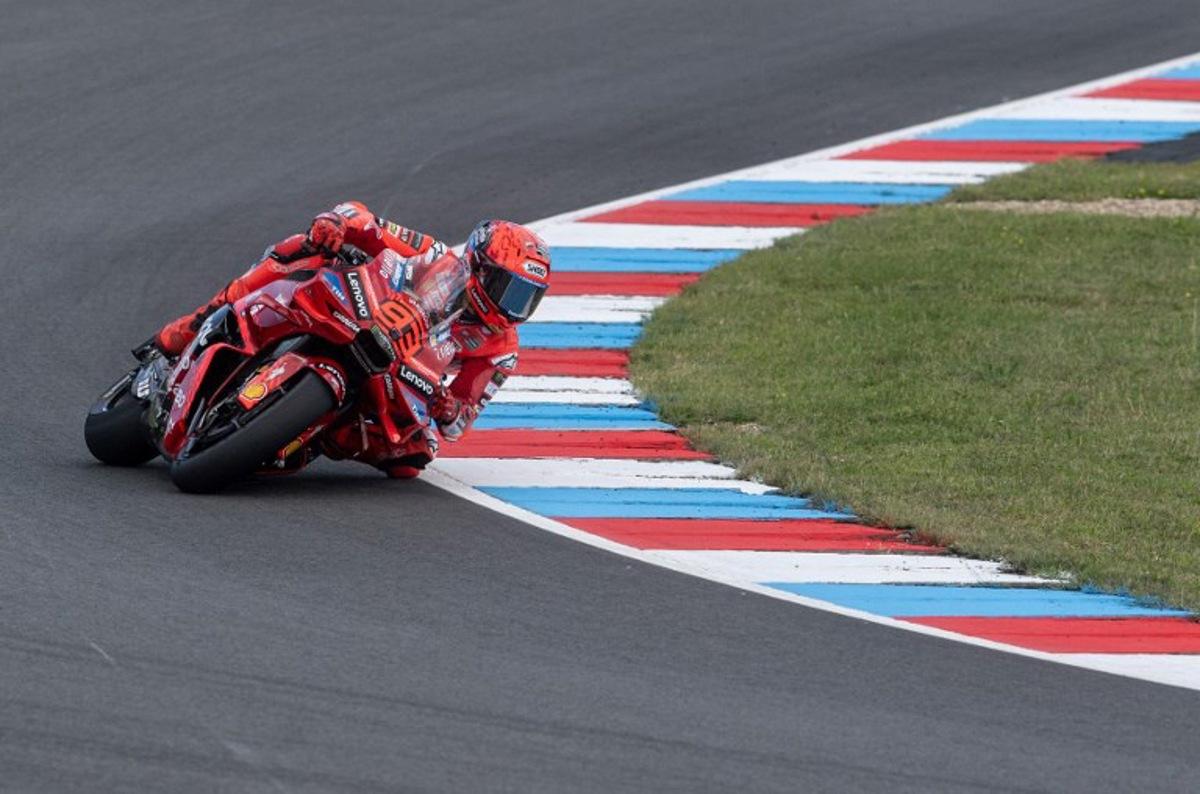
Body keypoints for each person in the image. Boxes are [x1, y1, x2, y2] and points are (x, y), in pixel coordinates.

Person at [153, 201, 551, 478]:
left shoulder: (502, 349)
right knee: (305, 249)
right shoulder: (433, 254)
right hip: (362, 312)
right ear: (479, 265)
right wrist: (335, 224)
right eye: (506, 288)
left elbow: (458, 422)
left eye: (525, 298)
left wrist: (448, 410)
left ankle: (298, 436)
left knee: (411, 461)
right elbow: (366, 221)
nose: (511, 306)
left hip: (402, 370)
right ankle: (196, 324)